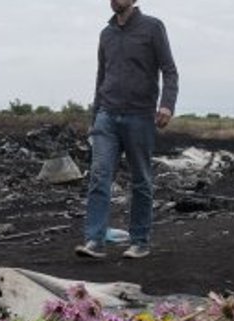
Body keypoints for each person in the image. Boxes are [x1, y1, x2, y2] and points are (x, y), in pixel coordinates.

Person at [76, 0, 178, 259]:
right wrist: (95, 117)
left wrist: (167, 105)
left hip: (140, 116)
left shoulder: (153, 27)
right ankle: (95, 240)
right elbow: (101, 76)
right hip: (106, 116)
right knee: (99, 176)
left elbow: (169, 70)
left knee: (141, 180)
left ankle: (139, 241)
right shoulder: (106, 34)